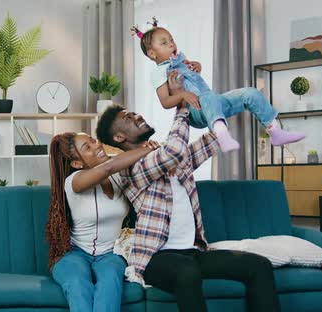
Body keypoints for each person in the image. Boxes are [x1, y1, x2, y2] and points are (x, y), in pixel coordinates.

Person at [95, 73, 281, 312]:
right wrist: (181, 106)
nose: (136, 116)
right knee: (187, 273)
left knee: (259, 266)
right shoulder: (130, 168)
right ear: (119, 137)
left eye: (134, 113)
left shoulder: (166, 156)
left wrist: (213, 102)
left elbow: (213, 140)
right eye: (128, 118)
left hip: (192, 252)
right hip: (156, 258)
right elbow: (172, 152)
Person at [131, 17, 304, 152]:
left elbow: (194, 78)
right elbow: (165, 102)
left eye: (171, 39)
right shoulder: (158, 72)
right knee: (208, 97)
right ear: (152, 53)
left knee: (250, 93)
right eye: (164, 43)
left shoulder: (181, 59)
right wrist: (183, 95)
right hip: (196, 111)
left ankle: (275, 131)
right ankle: (221, 134)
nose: (171, 43)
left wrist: (197, 66)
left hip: (212, 103)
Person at [46, 132, 159, 312]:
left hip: (111, 253)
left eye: (93, 140)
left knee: (110, 282)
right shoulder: (74, 181)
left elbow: (125, 164)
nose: (97, 145)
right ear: (77, 163)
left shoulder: (118, 175)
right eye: (87, 147)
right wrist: (143, 150)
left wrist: (153, 150)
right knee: (78, 284)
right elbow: (109, 167)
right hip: (75, 253)